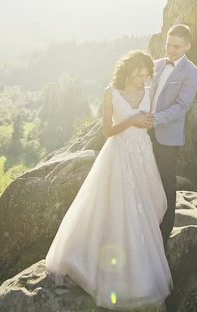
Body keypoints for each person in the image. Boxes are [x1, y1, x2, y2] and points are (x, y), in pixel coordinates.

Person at [45, 50, 173, 310]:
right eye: (139, 75)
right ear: (127, 72)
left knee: (145, 209)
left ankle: (142, 271)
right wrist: (133, 121)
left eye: (147, 76)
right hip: (118, 155)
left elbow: (148, 121)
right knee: (117, 209)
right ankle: (106, 270)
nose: (143, 80)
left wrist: (146, 122)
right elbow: (107, 130)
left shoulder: (148, 91)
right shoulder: (110, 93)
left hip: (143, 155)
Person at [149, 24, 197, 251]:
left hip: (167, 137)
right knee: (145, 177)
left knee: (166, 181)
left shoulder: (192, 72)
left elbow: (182, 106)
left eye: (176, 46)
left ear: (188, 46)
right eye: (168, 44)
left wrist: (155, 119)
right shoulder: (157, 65)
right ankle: (147, 221)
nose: (170, 50)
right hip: (144, 132)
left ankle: (165, 229)